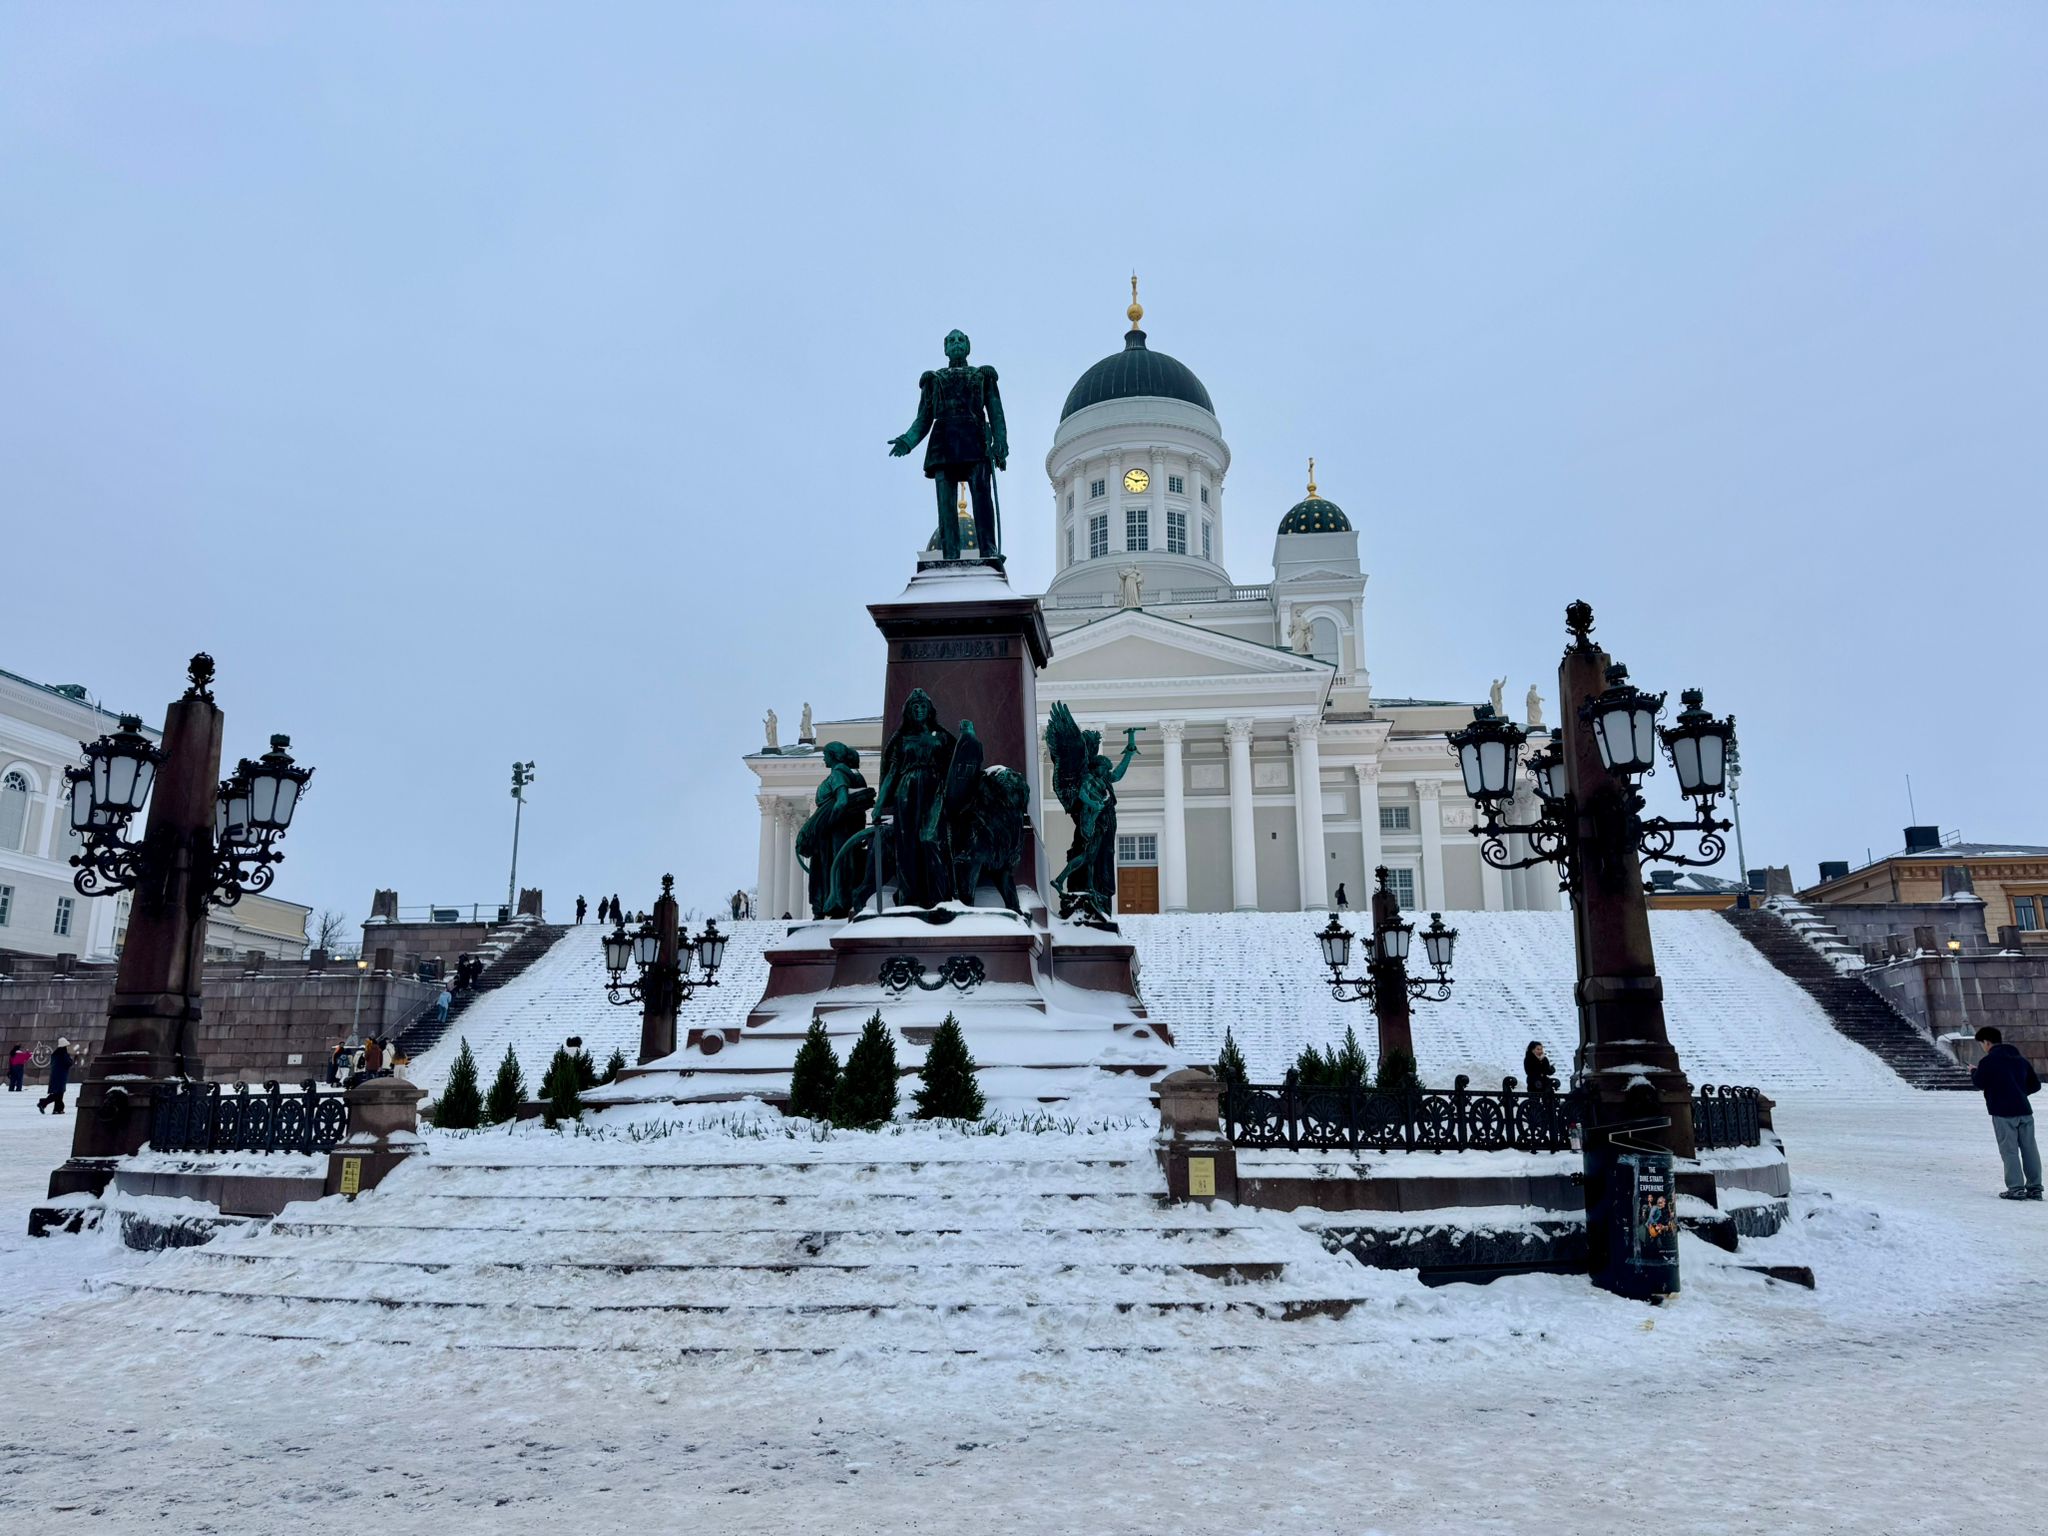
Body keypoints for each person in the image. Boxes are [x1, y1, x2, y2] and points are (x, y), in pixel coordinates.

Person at [1969, 1026, 2042, 1200]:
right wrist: (2018, 1092)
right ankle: (2035, 1188)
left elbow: (1980, 1083)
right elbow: (2036, 1085)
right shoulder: (2020, 1060)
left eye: (1982, 1044)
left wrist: (1973, 1071)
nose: (1983, 1048)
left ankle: (2016, 1188)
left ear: (1987, 1042)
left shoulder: (1988, 1061)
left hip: (2002, 1112)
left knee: (2009, 1150)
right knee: (2030, 1149)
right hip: (2024, 1110)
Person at [37, 1038, 72, 1115]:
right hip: (61, 1075)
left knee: (59, 1093)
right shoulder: (63, 1054)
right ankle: (43, 1103)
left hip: (55, 1075)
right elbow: (68, 1062)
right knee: (58, 1093)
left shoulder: (55, 1054)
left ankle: (58, 1109)